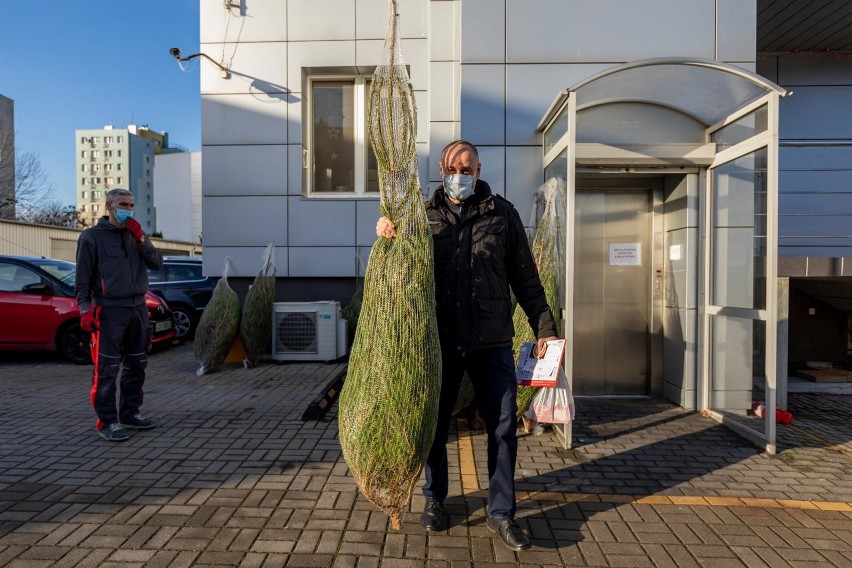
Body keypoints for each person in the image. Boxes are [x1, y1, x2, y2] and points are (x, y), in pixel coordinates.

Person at [376, 140, 557, 551]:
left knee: (503, 426)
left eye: (468, 167)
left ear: (478, 170)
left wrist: (544, 329)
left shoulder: (502, 214)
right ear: (442, 170)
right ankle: (435, 498)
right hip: (437, 342)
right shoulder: (421, 216)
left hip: (491, 342)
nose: (461, 174)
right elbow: (395, 265)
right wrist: (385, 231)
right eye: (454, 167)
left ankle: (501, 513)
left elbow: (526, 279)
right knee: (433, 426)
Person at [75, 188, 163, 442]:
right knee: (107, 368)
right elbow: (82, 280)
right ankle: (107, 421)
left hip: (138, 307)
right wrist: (84, 309)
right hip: (109, 310)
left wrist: (141, 240)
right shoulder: (91, 237)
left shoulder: (136, 235)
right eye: (123, 203)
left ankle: (130, 413)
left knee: (137, 365)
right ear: (109, 206)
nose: (128, 208)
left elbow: (157, 263)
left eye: (132, 204)